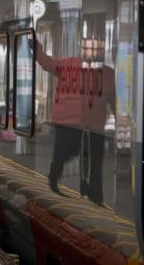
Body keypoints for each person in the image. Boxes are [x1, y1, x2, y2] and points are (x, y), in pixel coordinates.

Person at [34, 37, 115, 204]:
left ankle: (91, 192)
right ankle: (87, 191)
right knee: (80, 156)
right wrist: (36, 46)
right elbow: (46, 62)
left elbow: (45, 62)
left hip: (87, 125)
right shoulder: (71, 65)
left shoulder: (105, 72)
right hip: (74, 123)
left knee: (80, 157)